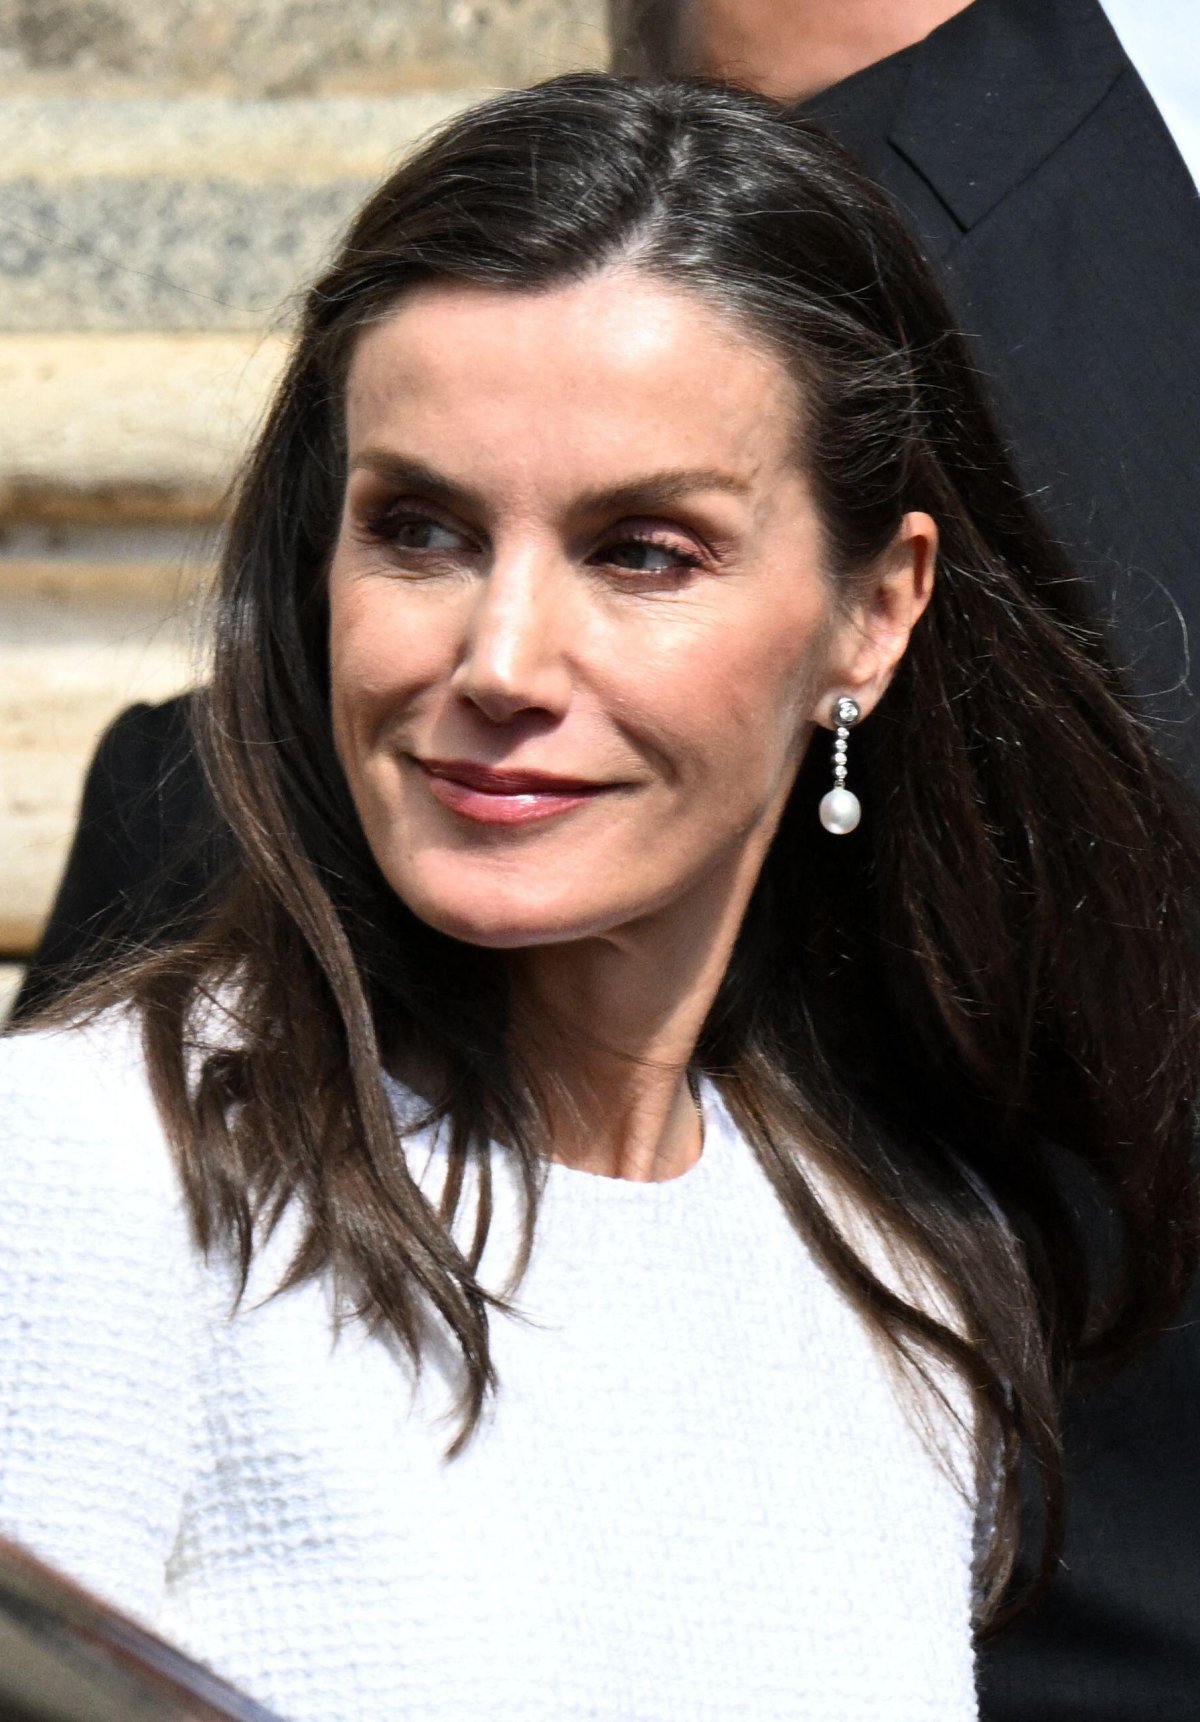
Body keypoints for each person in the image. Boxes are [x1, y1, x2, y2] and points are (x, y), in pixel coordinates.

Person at [3, 73, 1199, 1722]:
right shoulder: (89, 1173)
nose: (500, 660)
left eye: (642, 550)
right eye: (419, 530)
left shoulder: (900, 1278)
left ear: (875, 611)